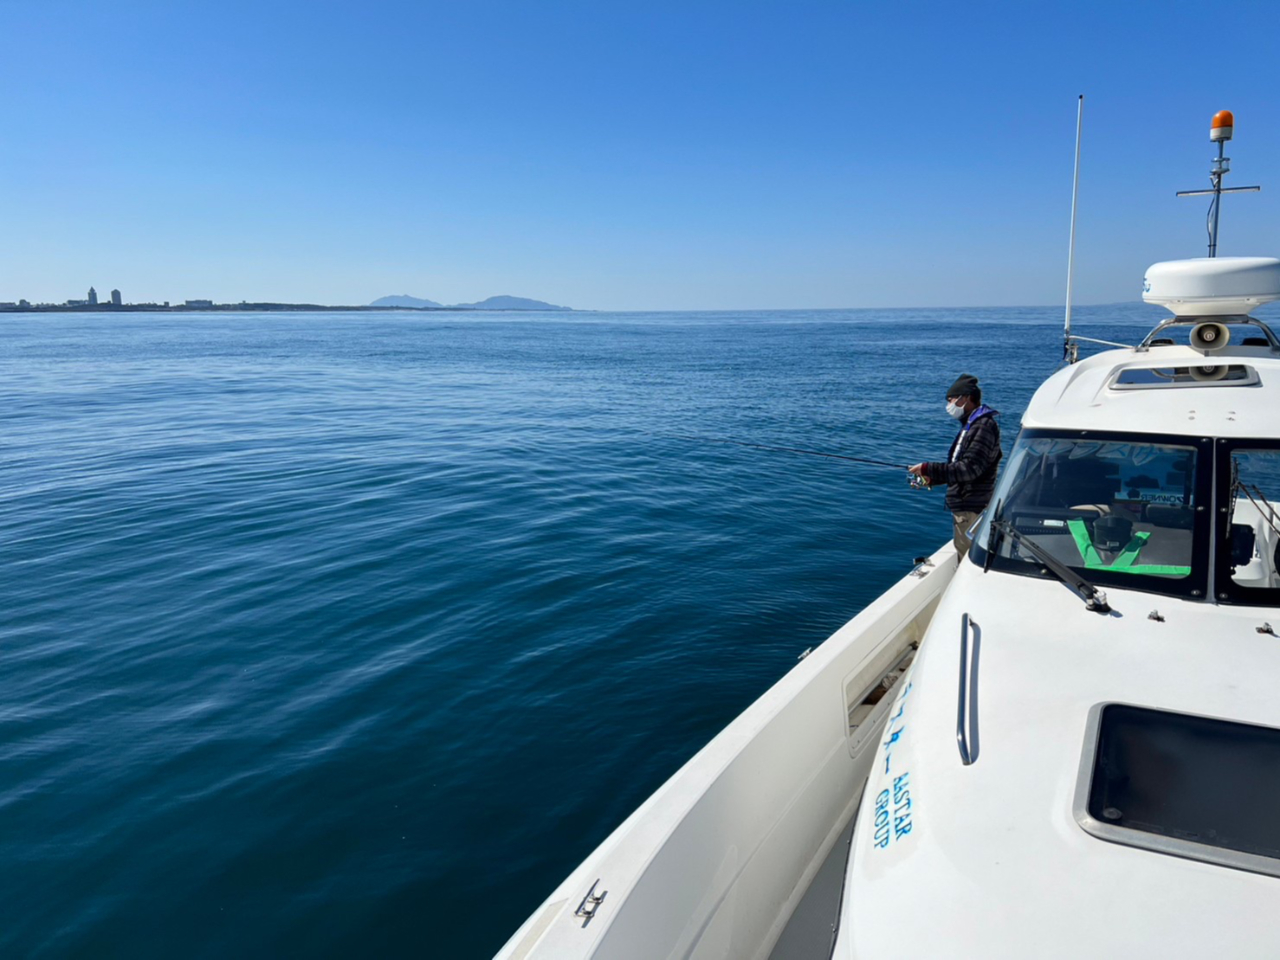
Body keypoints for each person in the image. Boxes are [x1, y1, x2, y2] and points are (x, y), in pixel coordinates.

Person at [908, 374, 1002, 556]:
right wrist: (931, 479)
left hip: (971, 509)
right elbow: (960, 469)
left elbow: (969, 469)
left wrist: (928, 468)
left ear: (965, 398)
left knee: (969, 558)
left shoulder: (982, 427)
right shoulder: (972, 425)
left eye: (951, 399)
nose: (948, 404)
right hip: (966, 508)